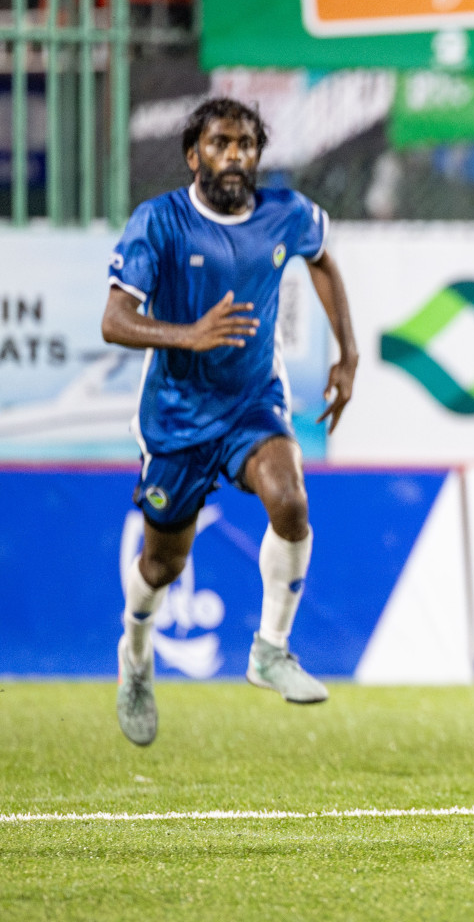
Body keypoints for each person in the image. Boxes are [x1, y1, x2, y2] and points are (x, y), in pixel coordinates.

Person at [101, 97, 358, 746]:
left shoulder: (285, 213)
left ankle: (270, 649)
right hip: (178, 418)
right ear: (194, 156)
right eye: (220, 143)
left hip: (251, 404)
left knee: (290, 501)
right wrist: (189, 334)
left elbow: (322, 256)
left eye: (246, 143)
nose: (235, 155)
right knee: (162, 566)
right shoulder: (158, 222)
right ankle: (135, 654)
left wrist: (348, 353)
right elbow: (114, 320)